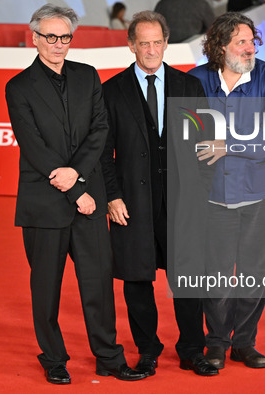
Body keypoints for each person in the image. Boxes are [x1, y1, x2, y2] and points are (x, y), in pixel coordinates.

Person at [4, 4, 146, 385]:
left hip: (88, 200)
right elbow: (33, 148)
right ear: (34, 38)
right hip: (45, 204)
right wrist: (75, 190)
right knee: (45, 289)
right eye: (50, 36)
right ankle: (53, 358)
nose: (58, 44)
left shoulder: (87, 76)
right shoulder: (18, 87)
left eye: (64, 37)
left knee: (98, 285)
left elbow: (99, 131)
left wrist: (79, 180)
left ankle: (109, 358)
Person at [99, 10, 219, 377]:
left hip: (183, 203)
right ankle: (147, 349)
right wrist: (112, 196)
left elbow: (206, 145)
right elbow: (102, 153)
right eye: (143, 42)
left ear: (166, 43)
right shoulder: (111, 91)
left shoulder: (189, 87)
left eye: (157, 42)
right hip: (131, 203)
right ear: (130, 44)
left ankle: (191, 349)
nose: (151, 49)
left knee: (187, 279)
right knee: (137, 279)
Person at [188, 12, 265, 369]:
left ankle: (245, 342)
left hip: (260, 194)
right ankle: (216, 342)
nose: (250, 49)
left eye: (252, 41)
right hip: (213, 197)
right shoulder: (195, 81)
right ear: (219, 48)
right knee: (214, 272)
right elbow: (183, 134)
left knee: (253, 271)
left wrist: (226, 143)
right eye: (241, 43)